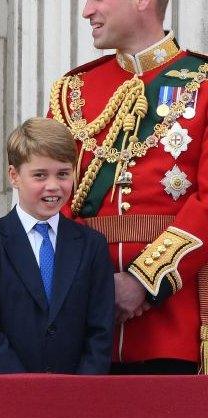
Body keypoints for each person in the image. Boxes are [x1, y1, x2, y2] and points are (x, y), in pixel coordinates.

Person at [49, 0, 208, 374]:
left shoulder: (202, 83)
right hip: (86, 324)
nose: (87, 11)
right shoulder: (72, 92)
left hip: (172, 324)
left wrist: (144, 281)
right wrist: (97, 286)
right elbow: (54, 199)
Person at [0, 118, 115, 374]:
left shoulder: (91, 245)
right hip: (4, 393)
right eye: (40, 175)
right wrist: (24, 389)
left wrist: (82, 388)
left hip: (74, 396)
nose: (53, 186)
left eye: (63, 174)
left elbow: (100, 329)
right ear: (14, 176)